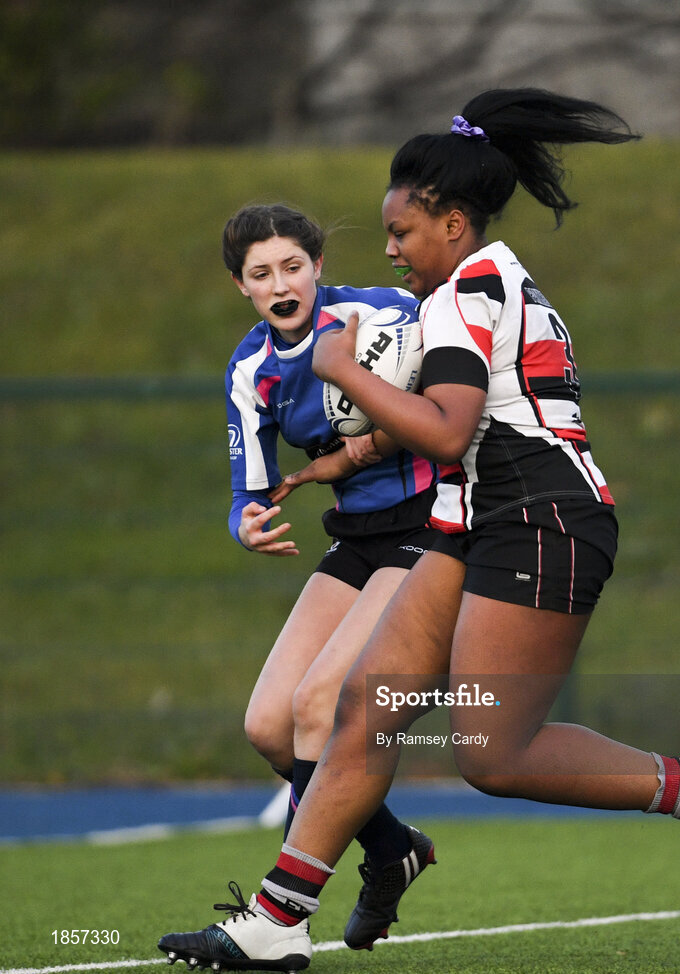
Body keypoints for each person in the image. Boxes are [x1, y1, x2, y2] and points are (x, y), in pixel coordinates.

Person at [159, 90, 680, 972]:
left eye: (401, 232)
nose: (388, 249)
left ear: (452, 224)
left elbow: (450, 429)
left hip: (539, 517)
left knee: (492, 757)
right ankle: (277, 918)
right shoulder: (468, 284)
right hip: (472, 520)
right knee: (365, 709)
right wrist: (341, 463)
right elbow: (446, 417)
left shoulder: (469, 289)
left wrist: (341, 367)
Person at [208, 201, 445, 942]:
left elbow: (450, 398)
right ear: (241, 287)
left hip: (432, 524)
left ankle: (279, 917)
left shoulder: (387, 312)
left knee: (321, 705)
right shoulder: (250, 369)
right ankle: (392, 850)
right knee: (268, 727)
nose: (279, 283)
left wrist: (364, 447)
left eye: (291, 266)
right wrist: (245, 526)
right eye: (259, 273)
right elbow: (249, 492)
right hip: (357, 537)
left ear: (316, 268)